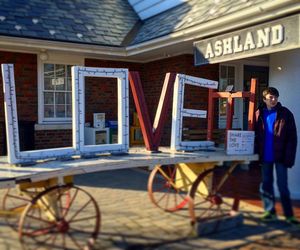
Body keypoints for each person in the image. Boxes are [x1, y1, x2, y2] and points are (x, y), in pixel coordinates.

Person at [254, 87, 299, 225]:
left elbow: (292, 138)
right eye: (270, 97)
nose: (273, 100)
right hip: (265, 155)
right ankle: (269, 211)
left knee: (282, 185)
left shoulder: (286, 113)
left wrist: (289, 157)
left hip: (281, 156)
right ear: (264, 99)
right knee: (266, 184)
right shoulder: (258, 113)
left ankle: (289, 215)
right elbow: (253, 135)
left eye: (275, 97)